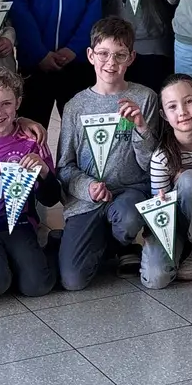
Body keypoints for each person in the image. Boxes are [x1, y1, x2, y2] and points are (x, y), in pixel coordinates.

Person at [55, 18, 156, 290]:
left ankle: (120, 240)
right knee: (73, 280)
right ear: (90, 55)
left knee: (128, 219)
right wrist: (88, 187)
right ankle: (102, 242)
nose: (111, 63)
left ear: (131, 58)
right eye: (103, 54)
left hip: (129, 191)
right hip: (87, 199)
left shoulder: (145, 98)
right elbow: (64, 166)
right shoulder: (75, 106)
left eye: (120, 55)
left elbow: (152, 163)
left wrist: (142, 128)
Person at [0, 65, 61, 300]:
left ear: (18, 103)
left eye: (6, 103)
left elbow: (51, 198)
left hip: (20, 226)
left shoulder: (31, 142)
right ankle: (8, 264)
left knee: (37, 287)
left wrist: (44, 170)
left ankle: (54, 246)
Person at [141, 74, 192, 288]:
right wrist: (161, 201)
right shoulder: (162, 156)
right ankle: (186, 249)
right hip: (176, 224)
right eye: (172, 107)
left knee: (189, 179)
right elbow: (160, 216)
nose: (182, 112)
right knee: (155, 277)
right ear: (164, 115)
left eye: (189, 101)